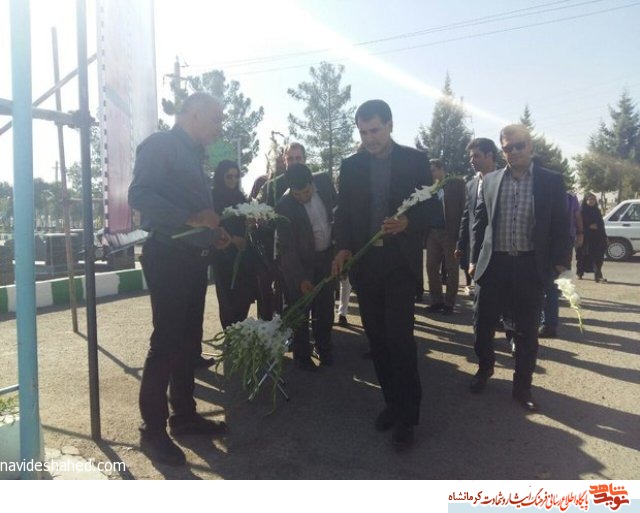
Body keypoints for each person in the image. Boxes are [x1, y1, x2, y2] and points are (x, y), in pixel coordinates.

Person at [128, 92, 231, 466]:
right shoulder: (161, 145)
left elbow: (196, 211)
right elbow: (139, 195)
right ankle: (152, 432)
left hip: (192, 258)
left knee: (188, 343)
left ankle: (184, 416)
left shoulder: (193, 154)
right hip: (168, 257)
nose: (219, 127)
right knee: (167, 343)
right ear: (195, 114)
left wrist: (211, 233)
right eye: (216, 119)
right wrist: (192, 219)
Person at [332, 99, 430, 449]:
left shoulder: (415, 161)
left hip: (399, 263)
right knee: (377, 340)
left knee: (400, 340)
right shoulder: (351, 165)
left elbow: (431, 210)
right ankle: (391, 402)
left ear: (390, 125)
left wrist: (408, 223)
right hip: (366, 263)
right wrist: (342, 247)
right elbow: (344, 212)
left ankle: (407, 417)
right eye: (363, 132)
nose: (369, 138)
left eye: (374, 130)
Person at [469, 124, 569, 412]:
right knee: (482, 323)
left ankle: (522, 386)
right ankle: (485, 367)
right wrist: (474, 259)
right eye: (507, 148)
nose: (513, 152)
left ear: (530, 146)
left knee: (527, 330)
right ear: (502, 151)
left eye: (519, 146)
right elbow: (480, 223)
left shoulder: (550, 180)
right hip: (494, 264)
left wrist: (560, 261)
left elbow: (560, 223)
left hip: (529, 264)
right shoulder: (491, 181)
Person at [276, 163, 337, 370]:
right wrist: (301, 278)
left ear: (313, 183)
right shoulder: (284, 206)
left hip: (326, 258)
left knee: (326, 306)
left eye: (307, 192)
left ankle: (324, 347)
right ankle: (302, 355)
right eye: (297, 194)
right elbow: (287, 249)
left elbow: (337, 211)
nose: (303, 197)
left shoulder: (325, 182)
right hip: (301, 264)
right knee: (300, 310)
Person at [211, 160, 258, 328]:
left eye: (236, 176)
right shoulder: (212, 198)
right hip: (223, 256)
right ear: (220, 177)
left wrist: (250, 225)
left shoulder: (239, 197)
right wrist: (231, 239)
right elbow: (213, 226)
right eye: (228, 176)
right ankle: (231, 335)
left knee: (243, 296)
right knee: (227, 300)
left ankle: (241, 332)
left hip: (242, 255)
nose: (233, 180)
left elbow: (244, 222)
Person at [455, 138, 499, 298]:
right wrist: (461, 244)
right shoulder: (471, 185)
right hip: (475, 247)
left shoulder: (505, 181)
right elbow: (467, 216)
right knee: (482, 296)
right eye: (471, 157)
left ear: (489, 155)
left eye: (476, 156)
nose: (471, 161)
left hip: (498, 248)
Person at [539, 191, 584, 338]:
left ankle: (548, 325)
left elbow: (576, 216)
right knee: (549, 287)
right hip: (555, 246)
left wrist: (580, 233)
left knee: (548, 287)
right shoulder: (562, 198)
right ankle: (547, 324)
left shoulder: (565, 198)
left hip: (552, 247)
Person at [424, 159, 465, 314]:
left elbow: (464, 207)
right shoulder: (429, 188)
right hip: (432, 232)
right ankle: (436, 301)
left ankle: (449, 303)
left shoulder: (455, 184)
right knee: (431, 267)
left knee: (451, 268)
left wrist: (461, 233)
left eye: (433, 170)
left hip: (449, 232)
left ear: (441, 169)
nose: (431, 174)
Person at [577, 192, 608, 282]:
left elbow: (601, 224)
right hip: (586, 238)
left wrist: (605, 236)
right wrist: (588, 227)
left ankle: (598, 275)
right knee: (583, 257)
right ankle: (580, 273)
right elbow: (578, 224)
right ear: (585, 200)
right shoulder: (582, 211)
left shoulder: (597, 211)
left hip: (598, 237)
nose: (591, 201)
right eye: (589, 199)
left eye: (593, 199)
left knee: (599, 257)